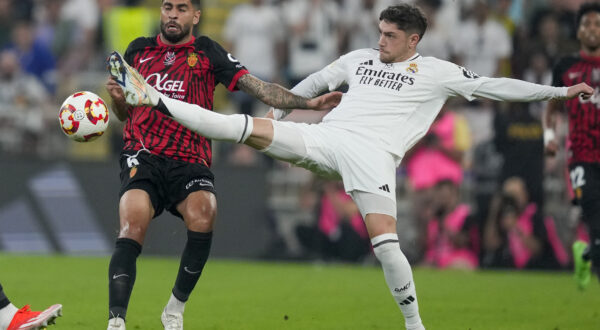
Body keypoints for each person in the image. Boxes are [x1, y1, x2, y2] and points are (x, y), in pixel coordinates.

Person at [108, 4, 592, 329]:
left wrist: (559, 92)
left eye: (390, 36)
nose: (380, 41)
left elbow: (496, 86)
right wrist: (278, 114)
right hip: (326, 139)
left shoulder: (439, 74)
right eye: (379, 32)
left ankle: (413, 324)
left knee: (385, 244)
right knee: (243, 126)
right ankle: (154, 98)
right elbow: (315, 80)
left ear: (413, 39)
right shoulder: (360, 58)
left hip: (374, 157)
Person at [103, 1, 340, 329]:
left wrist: (307, 102)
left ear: (196, 16)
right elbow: (125, 113)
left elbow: (260, 89)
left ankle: (174, 309)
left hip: (190, 158)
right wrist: (117, 100)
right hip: (143, 154)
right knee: (133, 223)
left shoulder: (207, 52)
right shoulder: (138, 51)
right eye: (168, 7)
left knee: (205, 213)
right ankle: (116, 321)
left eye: (182, 8)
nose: (173, 14)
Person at [544, 2, 600, 290]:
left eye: (597, 24)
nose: (592, 30)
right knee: (591, 208)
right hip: (580, 154)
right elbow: (552, 109)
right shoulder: (565, 67)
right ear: (578, 31)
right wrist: (549, 138)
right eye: (587, 24)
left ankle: (588, 254)